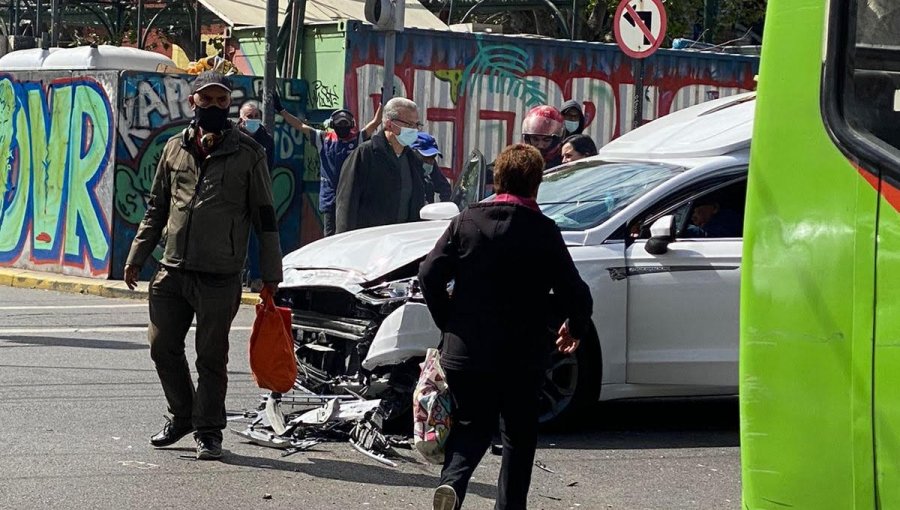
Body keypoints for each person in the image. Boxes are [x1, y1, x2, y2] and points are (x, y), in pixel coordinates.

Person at [419, 143, 593, 510]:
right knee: (518, 434)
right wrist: (573, 327)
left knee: (472, 424)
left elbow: (429, 274)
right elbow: (575, 291)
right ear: (536, 184)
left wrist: (448, 321)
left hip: (465, 352)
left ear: (497, 178)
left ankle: (452, 484)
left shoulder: (466, 221)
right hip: (522, 355)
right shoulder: (543, 230)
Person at [123, 71, 283, 461]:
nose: (213, 106)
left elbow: (264, 216)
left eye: (220, 101)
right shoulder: (173, 149)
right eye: (206, 99)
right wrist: (137, 256)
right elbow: (156, 207)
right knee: (162, 346)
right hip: (172, 268)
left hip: (220, 273)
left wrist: (270, 273)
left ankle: (208, 431)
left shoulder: (248, 152)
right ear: (192, 101)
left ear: (228, 105)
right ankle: (182, 415)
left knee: (211, 357)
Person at [276, 99, 383, 236]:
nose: (343, 125)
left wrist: (381, 102)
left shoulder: (358, 139)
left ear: (351, 125)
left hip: (352, 197)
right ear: (333, 124)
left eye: (346, 123)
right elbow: (300, 126)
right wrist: (281, 111)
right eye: (339, 123)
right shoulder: (323, 139)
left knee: (350, 235)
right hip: (330, 198)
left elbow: (375, 122)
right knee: (330, 237)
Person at [334, 97, 426, 233]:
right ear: (389, 124)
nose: (414, 130)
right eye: (409, 124)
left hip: (404, 245)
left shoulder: (413, 160)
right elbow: (346, 204)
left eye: (416, 125)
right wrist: (344, 242)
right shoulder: (365, 155)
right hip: (370, 243)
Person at [411, 131, 452, 204]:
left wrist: (445, 207)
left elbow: (444, 187)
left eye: (433, 157)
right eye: (426, 157)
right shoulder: (403, 169)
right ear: (414, 153)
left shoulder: (431, 164)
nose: (430, 162)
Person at [237, 101, 275, 171]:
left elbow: (268, 167)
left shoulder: (267, 140)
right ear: (241, 120)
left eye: (256, 116)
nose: (254, 119)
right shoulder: (233, 137)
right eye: (250, 116)